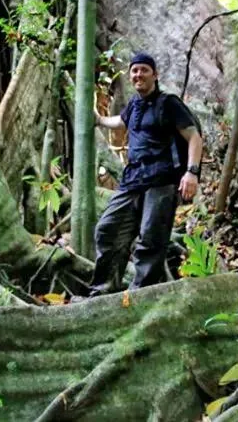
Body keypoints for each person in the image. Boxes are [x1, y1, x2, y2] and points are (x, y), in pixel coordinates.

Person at [88, 52, 203, 295]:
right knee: (107, 229)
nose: (138, 74)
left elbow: (193, 137)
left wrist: (191, 173)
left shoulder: (169, 103)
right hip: (132, 180)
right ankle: (103, 291)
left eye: (144, 70)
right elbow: (121, 121)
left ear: (155, 74)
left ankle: (139, 296)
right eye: (134, 70)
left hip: (161, 181)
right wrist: (99, 120)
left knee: (151, 241)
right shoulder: (134, 104)